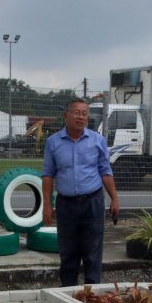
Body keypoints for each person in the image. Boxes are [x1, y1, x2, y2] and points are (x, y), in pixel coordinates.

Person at [42, 97, 120, 287]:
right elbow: (48, 175)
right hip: (65, 204)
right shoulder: (53, 142)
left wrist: (114, 198)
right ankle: (68, 293)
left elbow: (105, 171)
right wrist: (46, 205)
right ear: (66, 115)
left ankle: (93, 294)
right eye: (76, 112)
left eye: (84, 113)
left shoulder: (97, 140)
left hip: (92, 203)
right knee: (68, 252)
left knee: (93, 252)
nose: (81, 117)